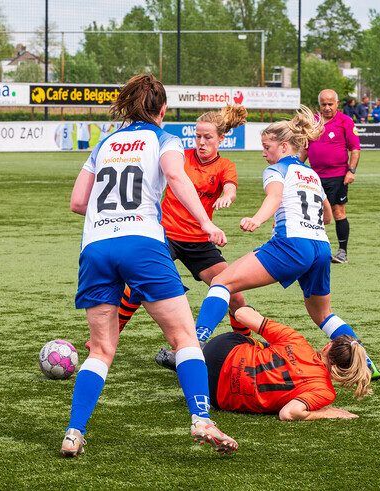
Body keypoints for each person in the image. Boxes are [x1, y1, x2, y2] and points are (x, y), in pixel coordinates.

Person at [62, 73, 238, 457]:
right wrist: (206, 222)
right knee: (184, 338)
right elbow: (176, 176)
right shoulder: (164, 139)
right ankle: (201, 419)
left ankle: (74, 432)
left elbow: (78, 202)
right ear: (162, 110)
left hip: (95, 247)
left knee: (101, 350)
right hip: (142, 243)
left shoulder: (105, 142)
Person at [192, 105, 380, 380]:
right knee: (323, 315)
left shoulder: (275, 170)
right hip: (320, 247)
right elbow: (327, 215)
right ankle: (365, 361)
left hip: (292, 245)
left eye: (266, 146)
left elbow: (275, 197)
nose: (263, 152)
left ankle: (193, 348)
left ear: (283, 146)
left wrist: (257, 219)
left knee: (222, 282)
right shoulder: (311, 173)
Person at [93, 105, 251, 367]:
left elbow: (230, 188)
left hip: (201, 242)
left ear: (221, 139)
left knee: (233, 293)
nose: (201, 142)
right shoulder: (180, 156)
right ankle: (105, 340)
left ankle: (245, 346)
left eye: (207, 137)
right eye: (198, 136)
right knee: (135, 287)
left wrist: (227, 196)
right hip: (166, 236)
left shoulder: (225, 166)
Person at [204, 306, 371, 419]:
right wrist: (326, 413)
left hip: (221, 350)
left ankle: (193, 349)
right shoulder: (325, 392)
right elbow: (288, 413)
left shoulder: (296, 340)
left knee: (265, 343)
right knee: (270, 348)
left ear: (328, 346)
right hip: (216, 395)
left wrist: (245, 307)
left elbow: (240, 314)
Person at [303, 89, 361, 264]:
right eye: (323, 104)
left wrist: (351, 171)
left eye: (330, 104)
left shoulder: (346, 121)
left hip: (337, 176)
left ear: (337, 103)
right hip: (314, 177)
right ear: (319, 104)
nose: (327, 107)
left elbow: (355, 149)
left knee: (338, 211)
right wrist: (294, 166)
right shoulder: (312, 121)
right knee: (313, 214)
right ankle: (317, 252)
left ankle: (342, 252)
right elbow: (305, 148)